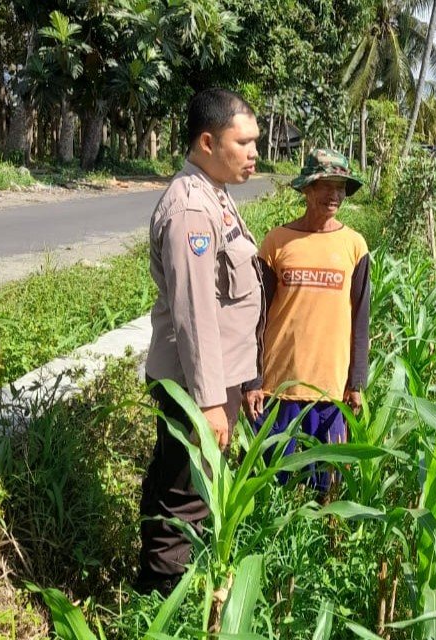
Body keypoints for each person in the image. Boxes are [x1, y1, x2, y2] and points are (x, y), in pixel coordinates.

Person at [136, 88, 264, 595]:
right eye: (244, 142)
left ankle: (155, 584)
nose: (255, 153)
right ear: (208, 142)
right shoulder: (192, 208)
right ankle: (162, 602)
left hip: (212, 380)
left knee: (177, 482)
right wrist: (211, 402)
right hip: (196, 385)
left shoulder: (215, 193)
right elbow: (194, 314)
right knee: (186, 495)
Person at [245, 149, 370, 495]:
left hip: (330, 388)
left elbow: (361, 319)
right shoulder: (277, 242)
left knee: (326, 484)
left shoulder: (354, 246)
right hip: (278, 385)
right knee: (272, 480)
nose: (334, 195)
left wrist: (356, 382)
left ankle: (324, 544)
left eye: (340, 187)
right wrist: (252, 380)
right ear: (306, 189)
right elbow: (256, 316)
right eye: (325, 185)